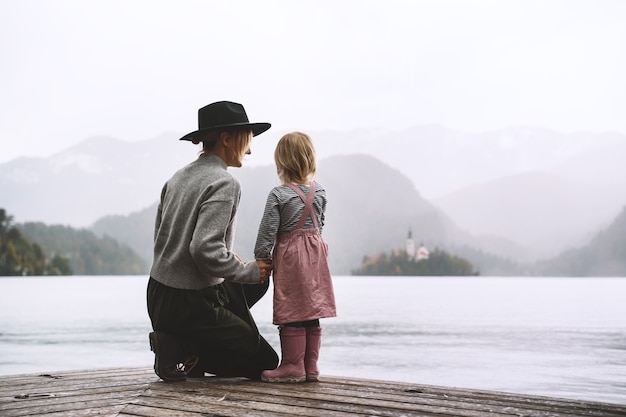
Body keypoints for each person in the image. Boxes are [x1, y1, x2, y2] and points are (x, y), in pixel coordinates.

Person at [147, 101, 278, 382]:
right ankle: (181, 349)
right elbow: (203, 249)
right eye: (247, 140)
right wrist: (246, 270)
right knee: (266, 361)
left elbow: (164, 240)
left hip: (159, 296)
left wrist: (242, 268)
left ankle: (187, 342)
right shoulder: (224, 182)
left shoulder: (177, 177)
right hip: (190, 302)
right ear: (226, 138)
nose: (251, 149)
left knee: (259, 281)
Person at [254, 132, 337, 383]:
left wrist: (261, 258)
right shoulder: (319, 190)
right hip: (316, 252)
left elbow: (267, 231)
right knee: (312, 305)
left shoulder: (279, 194)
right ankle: (311, 366)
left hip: (290, 255)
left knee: (291, 306)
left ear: (281, 162)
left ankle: (292, 365)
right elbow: (320, 223)